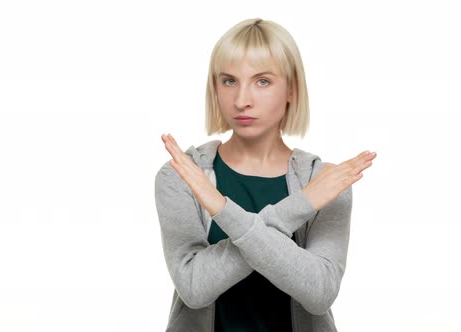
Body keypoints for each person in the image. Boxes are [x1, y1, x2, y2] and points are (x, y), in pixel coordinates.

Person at [154, 18, 377, 332]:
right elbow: (194, 288)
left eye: (262, 81)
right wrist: (301, 205)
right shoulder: (183, 175)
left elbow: (319, 293)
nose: (242, 99)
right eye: (229, 81)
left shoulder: (325, 182)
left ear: (291, 89)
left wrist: (223, 209)